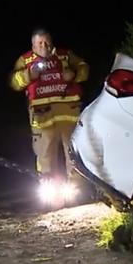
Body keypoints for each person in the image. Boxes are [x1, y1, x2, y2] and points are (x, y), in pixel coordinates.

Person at [9, 28, 89, 179]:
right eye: (39, 43)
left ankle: (78, 193)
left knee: (75, 154)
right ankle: (50, 195)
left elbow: (84, 67)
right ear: (33, 46)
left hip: (68, 114)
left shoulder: (65, 55)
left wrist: (74, 74)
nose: (44, 46)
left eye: (46, 43)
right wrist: (29, 75)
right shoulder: (25, 60)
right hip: (42, 117)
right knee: (45, 155)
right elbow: (14, 83)